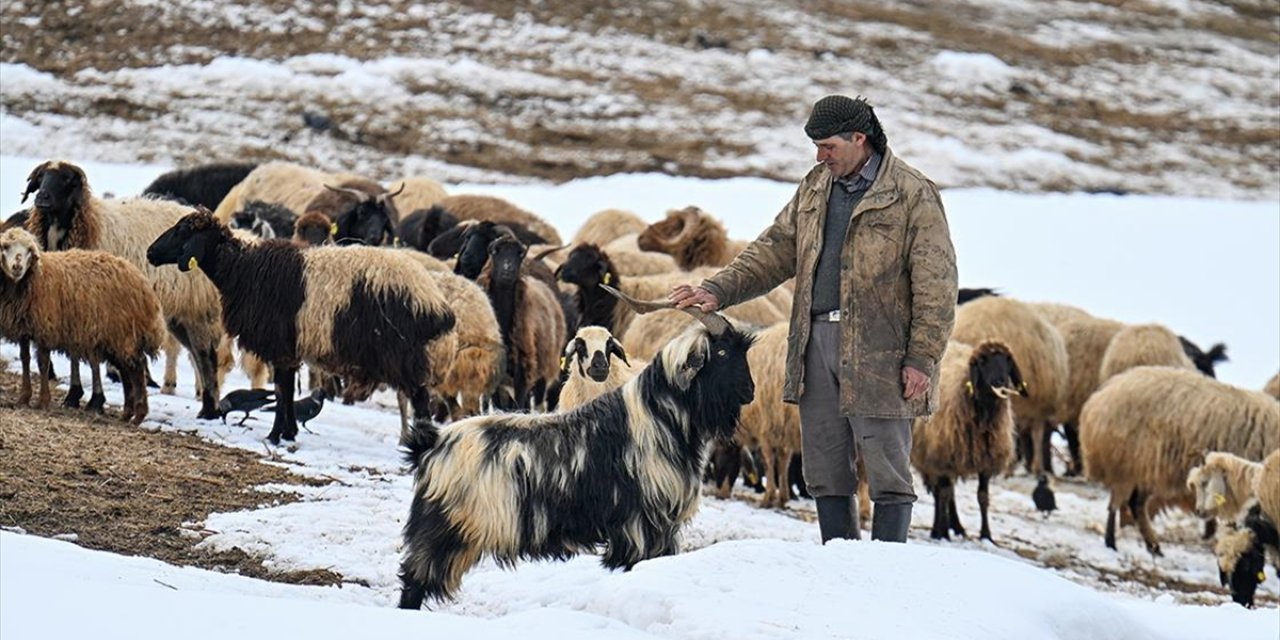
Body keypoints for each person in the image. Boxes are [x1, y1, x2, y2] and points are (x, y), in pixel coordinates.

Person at [670, 95, 957, 543]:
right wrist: (717, 289)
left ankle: (888, 567)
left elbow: (936, 282)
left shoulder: (911, 193)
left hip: (881, 350)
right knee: (824, 462)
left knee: (886, 466)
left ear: (859, 138)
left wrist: (921, 357)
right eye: (817, 148)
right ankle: (838, 558)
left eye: (828, 147)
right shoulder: (815, 187)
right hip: (815, 338)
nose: (820, 157)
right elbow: (774, 250)